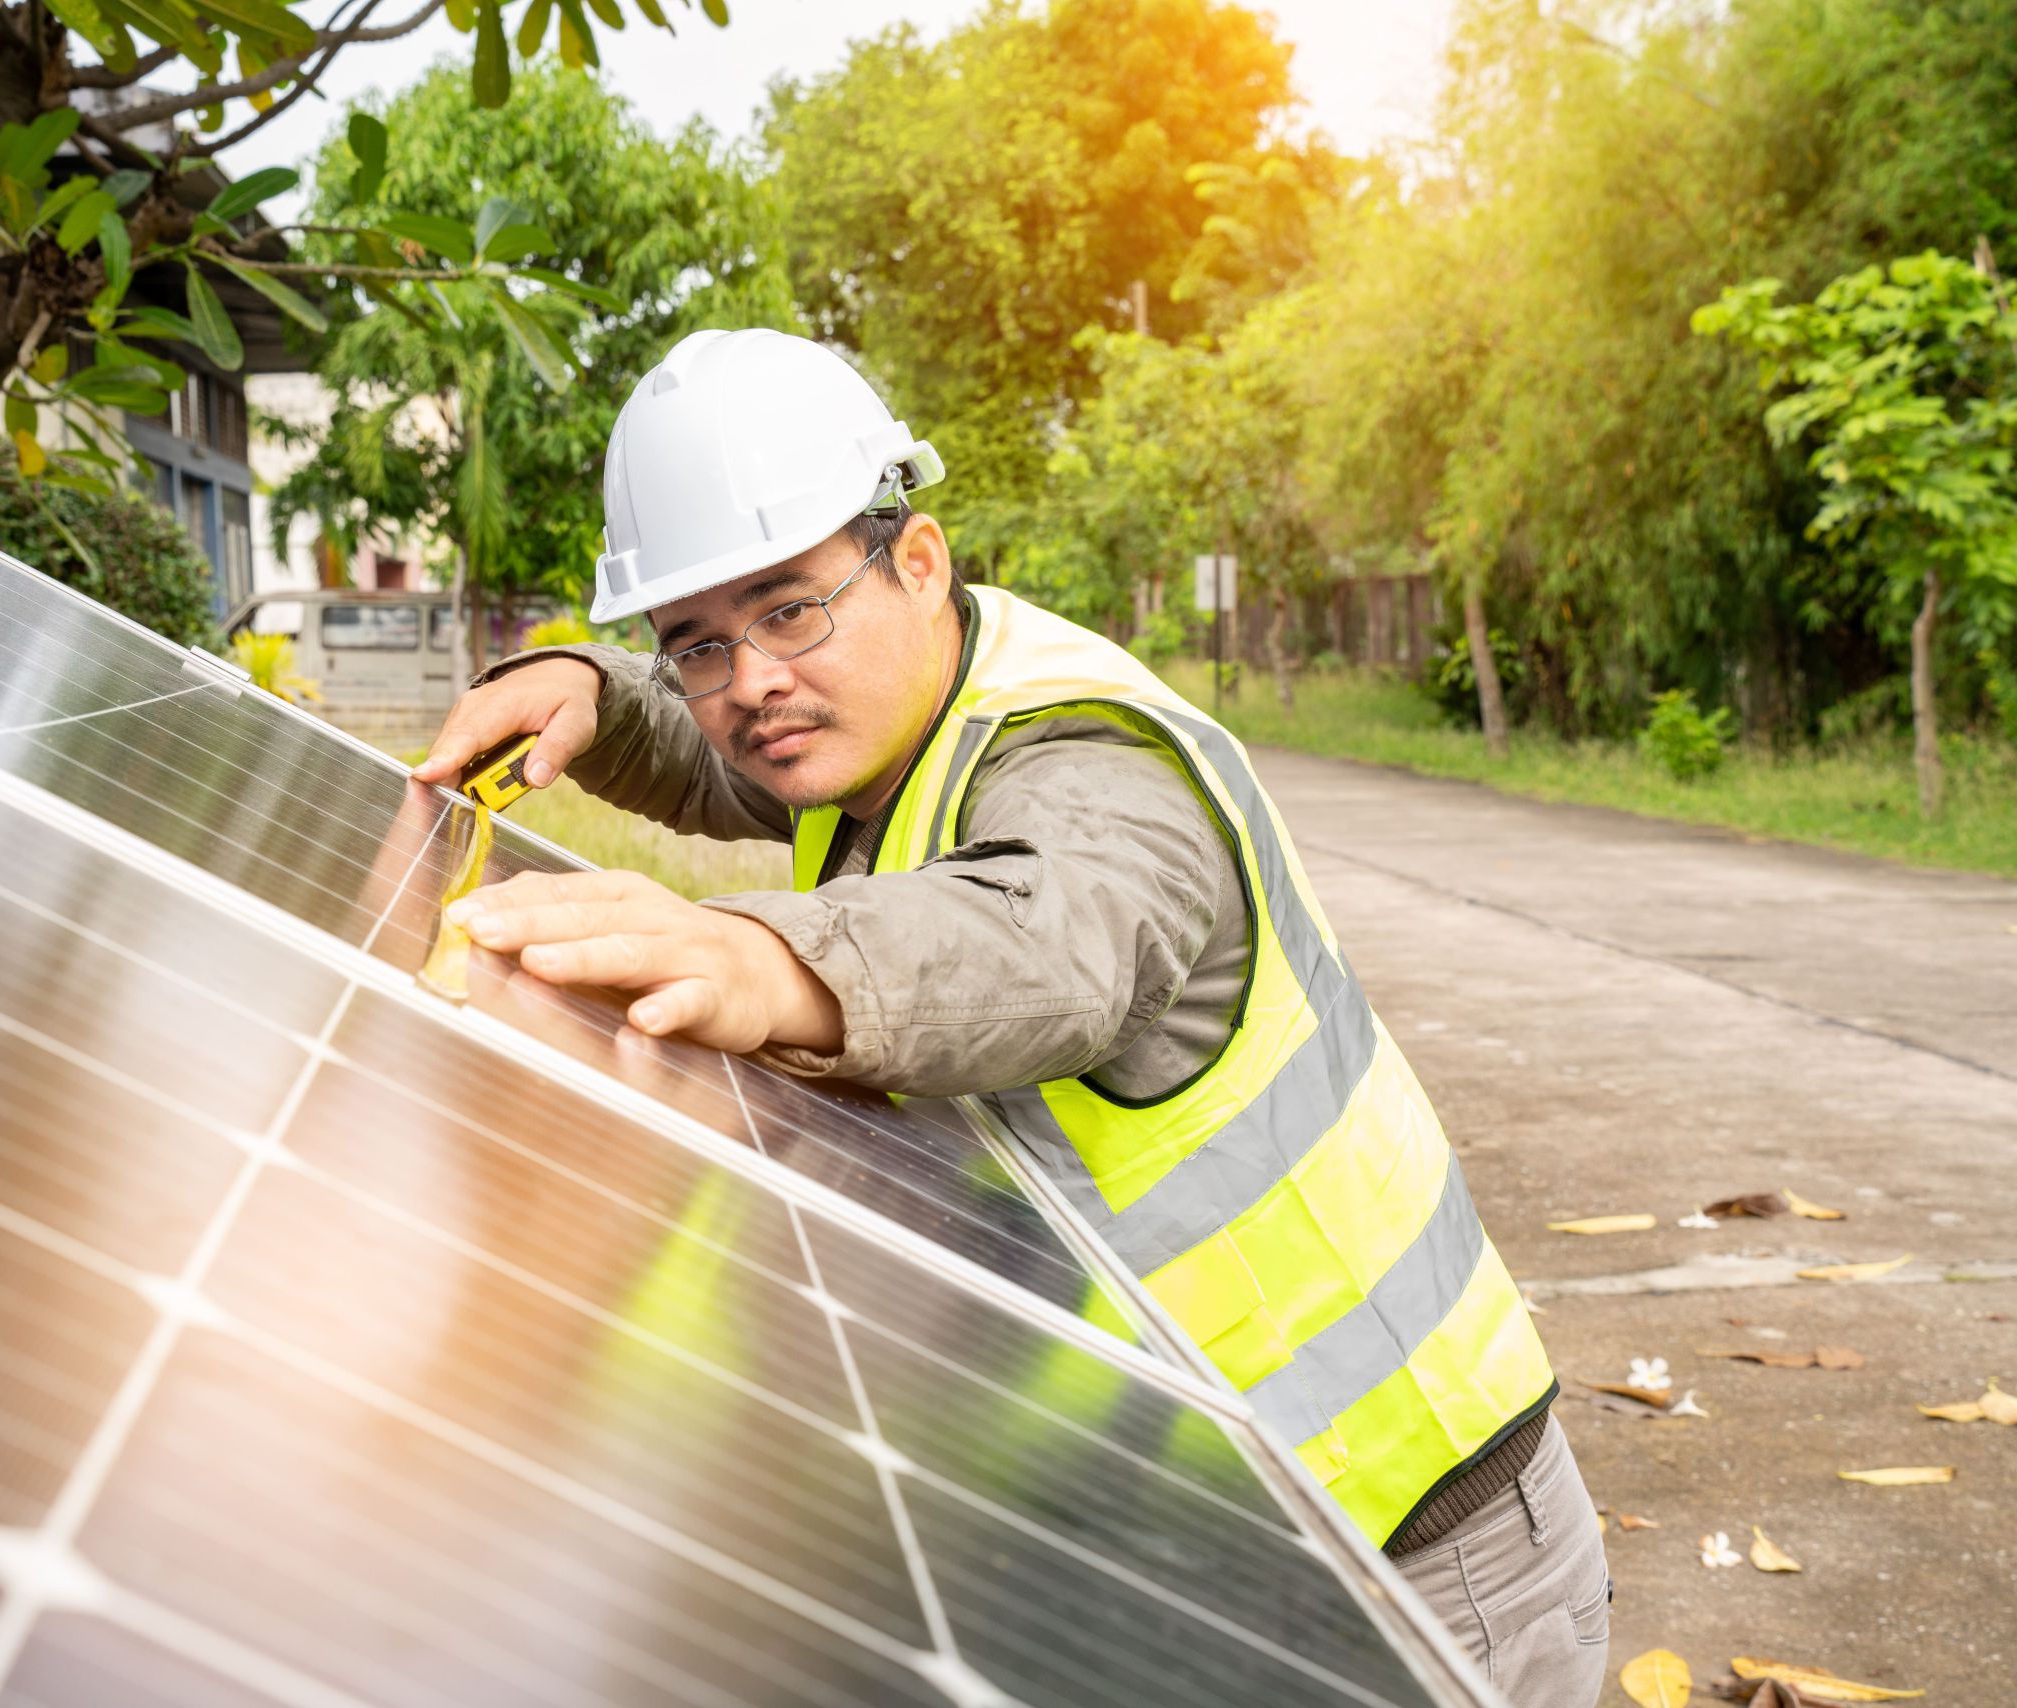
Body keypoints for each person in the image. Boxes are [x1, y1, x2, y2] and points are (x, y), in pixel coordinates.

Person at [415, 329, 1608, 1706]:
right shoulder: (883, 730)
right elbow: (731, 756)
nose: (751, 682)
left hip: (1414, 1533)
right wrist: (594, 691)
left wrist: (763, 957)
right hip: (1208, 1531)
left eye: (791, 609)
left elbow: (1053, 938)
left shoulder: (1093, 763)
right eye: (696, 643)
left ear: (916, 562)